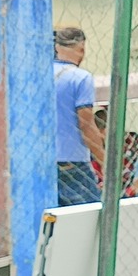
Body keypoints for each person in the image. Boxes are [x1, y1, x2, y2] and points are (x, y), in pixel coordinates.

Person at [52, 25, 102, 206]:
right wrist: (104, 159)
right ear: (81, 48)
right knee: (88, 215)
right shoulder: (81, 78)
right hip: (73, 162)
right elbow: (86, 125)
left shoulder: (38, 75)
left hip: (42, 160)